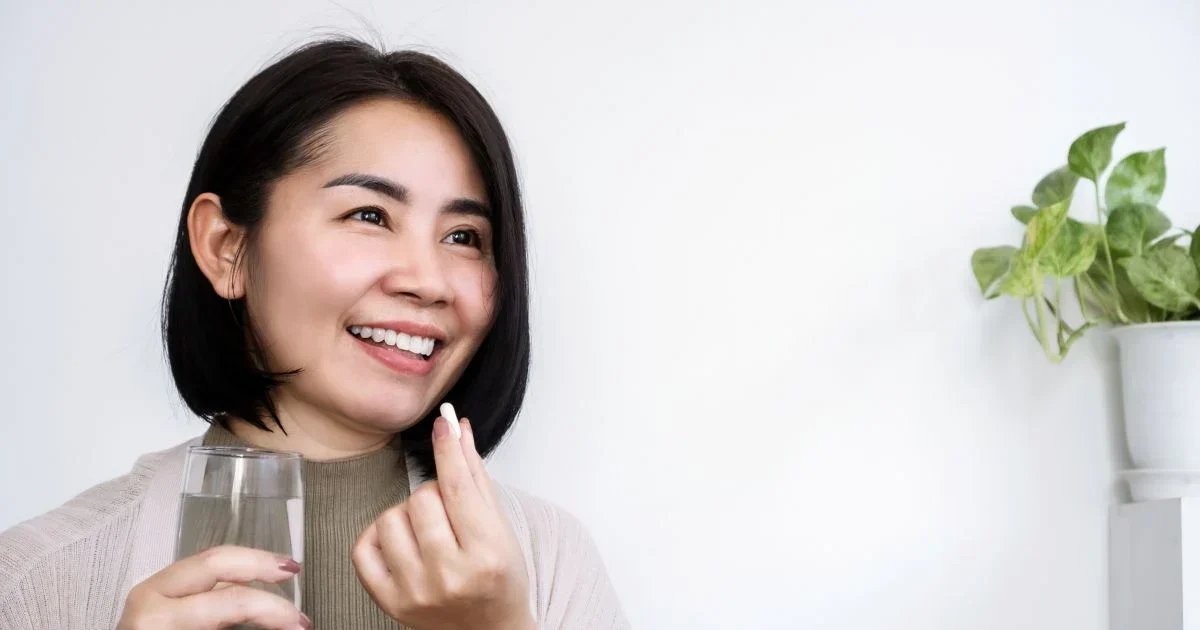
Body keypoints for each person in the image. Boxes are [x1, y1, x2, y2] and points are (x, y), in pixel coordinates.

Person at [0, 36, 628, 630]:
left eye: (464, 237)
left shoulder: (550, 563)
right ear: (226, 248)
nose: (429, 281)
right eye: (369, 215)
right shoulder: (37, 578)